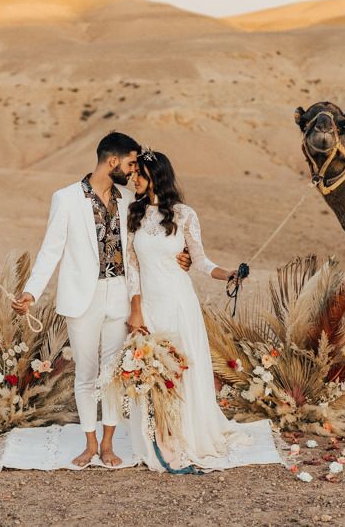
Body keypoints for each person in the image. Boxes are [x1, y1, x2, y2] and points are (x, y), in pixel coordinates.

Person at [12, 133, 190, 467]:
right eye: (131, 162)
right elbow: (51, 250)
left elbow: (151, 239)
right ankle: (89, 443)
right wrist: (30, 292)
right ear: (113, 161)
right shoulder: (65, 199)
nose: (134, 170)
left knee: (111, 372)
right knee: (87, 373)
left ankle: (108, 444)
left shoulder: (127, 199)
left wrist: (184, 258)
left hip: (120, 293)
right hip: (83, 297)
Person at [125, 148, 256, 471]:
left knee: (182, 370)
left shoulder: (184, 215)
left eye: (139, 173)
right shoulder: (133, 213)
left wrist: (228, 274)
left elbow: (199, 260)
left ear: (156, 176)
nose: (134, 179)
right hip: (150, 306)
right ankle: (157, 438)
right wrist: (136, 310)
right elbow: (132, 269)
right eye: (133, 173)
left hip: (179, 303)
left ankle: (186, 435)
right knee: (153, 370)